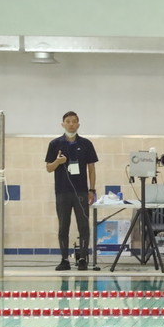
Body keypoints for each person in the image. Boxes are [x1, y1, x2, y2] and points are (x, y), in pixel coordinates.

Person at [44, 111, 98, 271]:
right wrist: (58, 162)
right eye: (68, 121)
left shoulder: (86, 144)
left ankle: (82, 259)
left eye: (74, 121)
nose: (71, 124)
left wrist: (92, 190)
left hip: (81, 192)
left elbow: (92, 169)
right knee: (63, 227)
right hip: (62, 192)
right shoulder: (55, 144)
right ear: (63, 124)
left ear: (78, 124)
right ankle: (64, 259)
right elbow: (48, 168)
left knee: (84, 226)